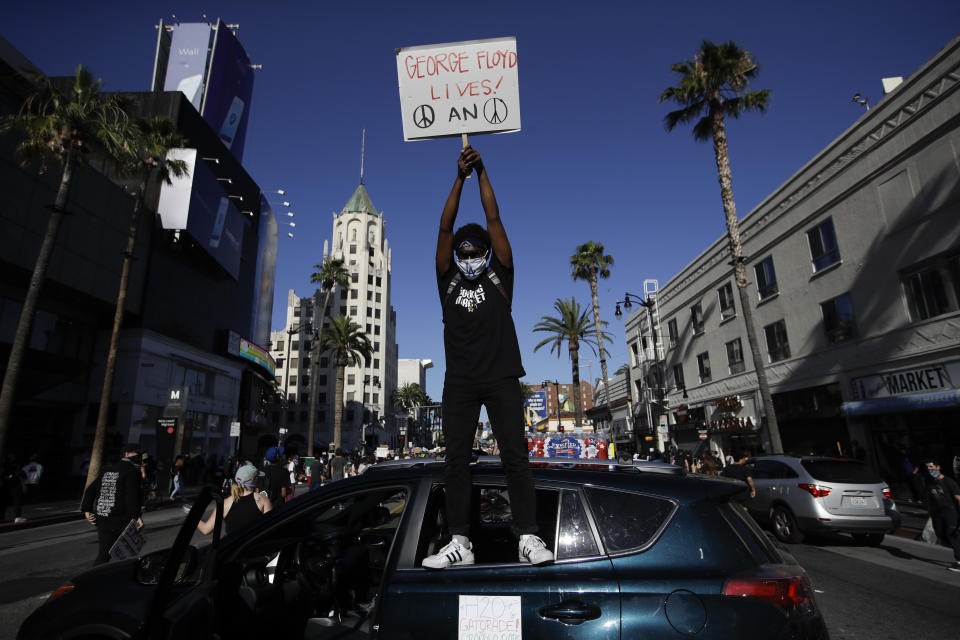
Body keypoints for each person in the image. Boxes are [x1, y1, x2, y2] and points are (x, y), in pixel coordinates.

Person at [422, 146, 553, 570]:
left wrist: (481, 172)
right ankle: (460, 540)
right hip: (459, 382)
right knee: (454, 461)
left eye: (478, 252)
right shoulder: (447, 281)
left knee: (516, 456)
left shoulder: (500, 275)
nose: (472, 258)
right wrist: (457, 178)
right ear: (457, 258)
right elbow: (444, 228)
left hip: (501, 378)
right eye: (465, 253)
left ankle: (529, 537)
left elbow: (494, 219)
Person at [81, 443, 144, 566]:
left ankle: (97, 576)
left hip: (102, 516)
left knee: (104, 553)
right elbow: (131, 496)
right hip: (121, 519)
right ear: (127, 454)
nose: (140, 456)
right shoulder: (131, 471)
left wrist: (86, 510)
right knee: (127, 554)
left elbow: (90, 490)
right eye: (137, 454)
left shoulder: (107, 469)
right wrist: (137, 517)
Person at [197, 463, 272, 536]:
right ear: (253, 479)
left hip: (232, 547)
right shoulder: (263, 499)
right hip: (252, 546)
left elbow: (205, 529)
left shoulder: (226, 503)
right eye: (257, 477)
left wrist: (192, 515)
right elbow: (270, 527)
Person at [922, 459, 960, 572]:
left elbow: (959, 499)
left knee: (952, 535)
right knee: (941, 535)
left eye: (932, 467)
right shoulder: (929, 482)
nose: (930, 470)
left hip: (950, 512)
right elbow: (930, 498)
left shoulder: (949, 482)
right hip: (936, 513)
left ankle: (959, 561)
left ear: (938, 467)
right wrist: (930, 511)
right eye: (928, 468)